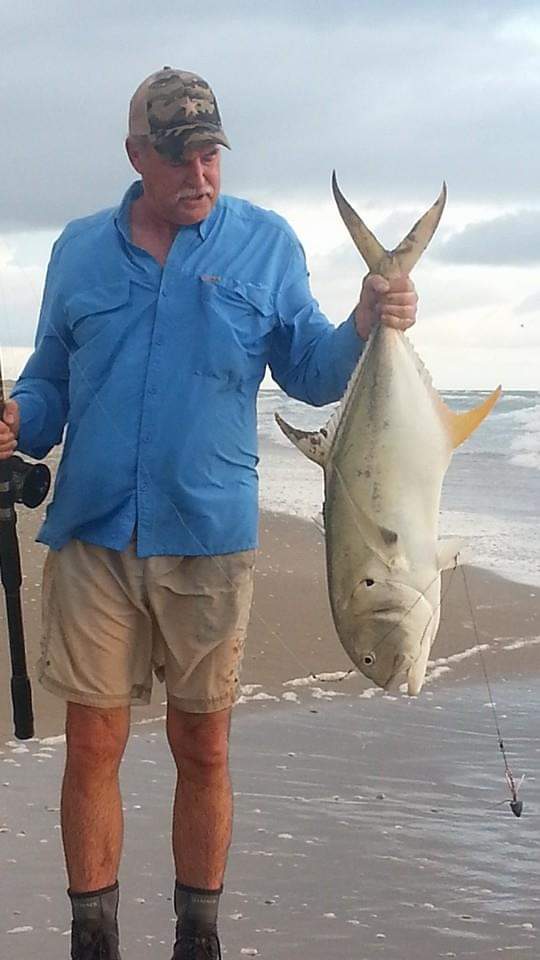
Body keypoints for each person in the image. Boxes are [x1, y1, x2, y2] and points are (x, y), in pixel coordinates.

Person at [0, 68, 417, 960]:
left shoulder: (266, 244)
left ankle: (200, 941)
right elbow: (47, 385)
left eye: (213, 156)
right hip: (95, 533)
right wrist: (15, 418)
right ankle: (93, 941)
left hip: (209, 535)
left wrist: (368, 318)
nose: (201, 176)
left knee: (205, 749)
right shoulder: (76, 250)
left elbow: (311, 368)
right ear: (136, 155)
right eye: (182, 158)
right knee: (93, 746)